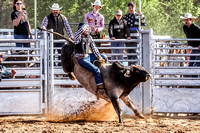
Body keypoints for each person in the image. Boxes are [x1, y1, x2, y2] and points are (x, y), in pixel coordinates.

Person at [74, 23, 108, 99]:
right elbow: (79, 31)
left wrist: (99, 57)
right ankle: (100, 87)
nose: (87, 30)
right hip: (81, 58)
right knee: (96, 70)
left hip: (88, 56)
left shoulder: (89, 37)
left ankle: (105, 72)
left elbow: (94, 48)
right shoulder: (78, 37)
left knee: (104, 57)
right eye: (85, 29)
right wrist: (86, 25)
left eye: (87, 29)